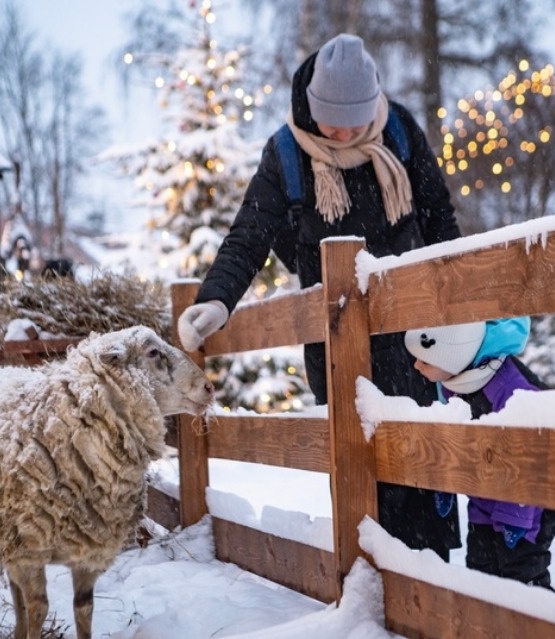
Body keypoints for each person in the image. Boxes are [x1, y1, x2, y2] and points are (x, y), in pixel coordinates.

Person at [177, 33, 464, 561]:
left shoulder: (398, 131)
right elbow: (249, 236)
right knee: (360, 468)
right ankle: (371, 588)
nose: (348, 132)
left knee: (425, 462)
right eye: (335, 122)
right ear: (312, 108)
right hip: (334, 342)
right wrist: (216, 299)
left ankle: (435, 584)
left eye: (358, 120)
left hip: (415, 337)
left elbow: (439, 220)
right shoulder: (288, 154)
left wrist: (462, 310)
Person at [404, 317, 555, 590]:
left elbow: (531, 457)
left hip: (530, 503)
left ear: (452, 356)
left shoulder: (513, 390)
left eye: (425, 361)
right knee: (480, 573)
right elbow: (452, 434)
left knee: (521, 575)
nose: (416, 366)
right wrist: (445, 483)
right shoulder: (452, 381)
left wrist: (517, 515)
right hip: (484, 495)